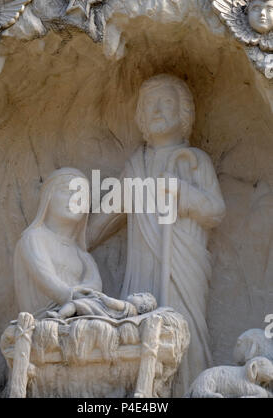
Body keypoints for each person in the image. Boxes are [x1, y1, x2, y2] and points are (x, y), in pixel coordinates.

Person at [88, 74, 226, 396]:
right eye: (149, 105)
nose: (156, 110)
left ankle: (190, 389)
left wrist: (180, 191)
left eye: (166, 102)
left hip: (182, 267)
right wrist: (71, 243)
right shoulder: (137, 166)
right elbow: (109, 215)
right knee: (140, 331)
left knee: (183, 330)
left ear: (184, 113)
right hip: (143, 268)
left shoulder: (195, 163)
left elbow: (215, 211)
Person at [14, 167, 102, 314]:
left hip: (80, 313)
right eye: (67, 191)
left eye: (82, 196)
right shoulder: (34, 238)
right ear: (48, 196)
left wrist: (83, 299)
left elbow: (96, 285)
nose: (75, 199)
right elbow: (46, 280)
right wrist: (73, 296)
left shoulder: (81, 253)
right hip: (47, 317)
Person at [46, 290, 157, 320]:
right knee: (81, 300)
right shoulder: (131, 312)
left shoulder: (128, 307)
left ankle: (60, 315)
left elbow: (111, 303)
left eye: (139, 296)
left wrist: (102, 297)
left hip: (101, 309)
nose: (134, 293)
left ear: (142, 308)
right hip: (101, 308)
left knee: (75, 304)